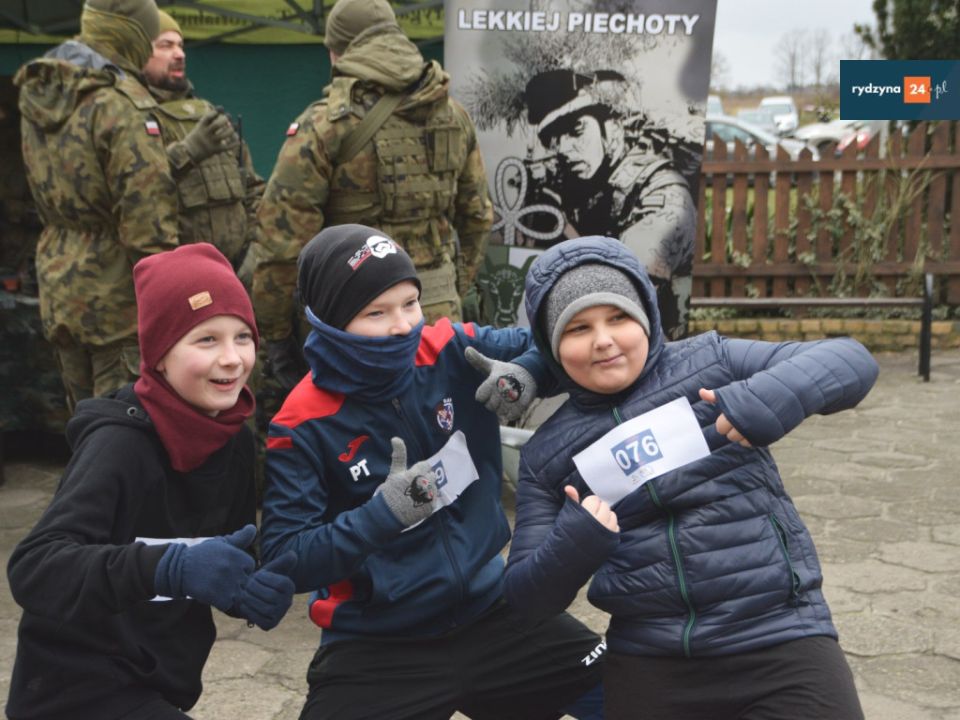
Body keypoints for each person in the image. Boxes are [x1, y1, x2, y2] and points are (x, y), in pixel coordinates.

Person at [504, 236, 878, 720]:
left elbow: (850, 360)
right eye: (578, 327)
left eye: (618, 317)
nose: (603, 340)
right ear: (552, 347)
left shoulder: (712, 361)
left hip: (779, 635)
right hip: (650, 659)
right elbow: (525, 601)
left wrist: (770, 396)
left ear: (646, 315)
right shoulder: (546, 456)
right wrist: (575, 542)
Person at [260, 224, 604, 720]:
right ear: (329, 321)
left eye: (410, 303)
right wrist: (381, 515)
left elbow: (567, 342)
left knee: (634, 693)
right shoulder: (301, 424)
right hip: (377, 645)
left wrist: (529, 370)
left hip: (497, 611)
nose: (403, 326)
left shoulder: (450, 348)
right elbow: (284, 558)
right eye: (376, 312)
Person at [6, 243, 296, 720]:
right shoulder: (119, 445)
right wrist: (168, 568)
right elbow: (35, 568)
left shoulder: (235, 440)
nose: (232, 358)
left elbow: (220, 556)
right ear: (160, 355)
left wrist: (248, 589)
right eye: (206, 340)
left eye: (243, 336)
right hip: (71, 692)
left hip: (158, 686)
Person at [253, 0, 493, 394]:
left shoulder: (326, 123)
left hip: (355, 319)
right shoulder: (452, 114)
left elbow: (282, 242)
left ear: (337, 52)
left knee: (354, 425)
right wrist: (449, 285)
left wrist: (276, 335)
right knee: (435, 416)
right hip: (435, 314)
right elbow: (478, 217)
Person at [15, 0, 179, 411]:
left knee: (83, 422)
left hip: (61, 285)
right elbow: (148, 223)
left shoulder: (42, 93)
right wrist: (172, 308)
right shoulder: (119, 104)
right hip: (119, 299)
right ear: (132, 33)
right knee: (124, 427)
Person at [523, 69, 697, 339]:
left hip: (652, 351)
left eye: (577, 130)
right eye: (553, 139)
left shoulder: (665, 192)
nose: (564, 149)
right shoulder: (580, 184)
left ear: (613, 127)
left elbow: (619, 293)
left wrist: (566, 231)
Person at [142, 10, 265, 279]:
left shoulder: (208, 115)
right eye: (166, 45)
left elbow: (252, 189)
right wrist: (188, 152)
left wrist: (254, 254)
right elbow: (137, 190)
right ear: (139, 52)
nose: (179, 54)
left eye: (181, 45)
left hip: (237, 274)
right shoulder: (135, 118)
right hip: (179, 278)